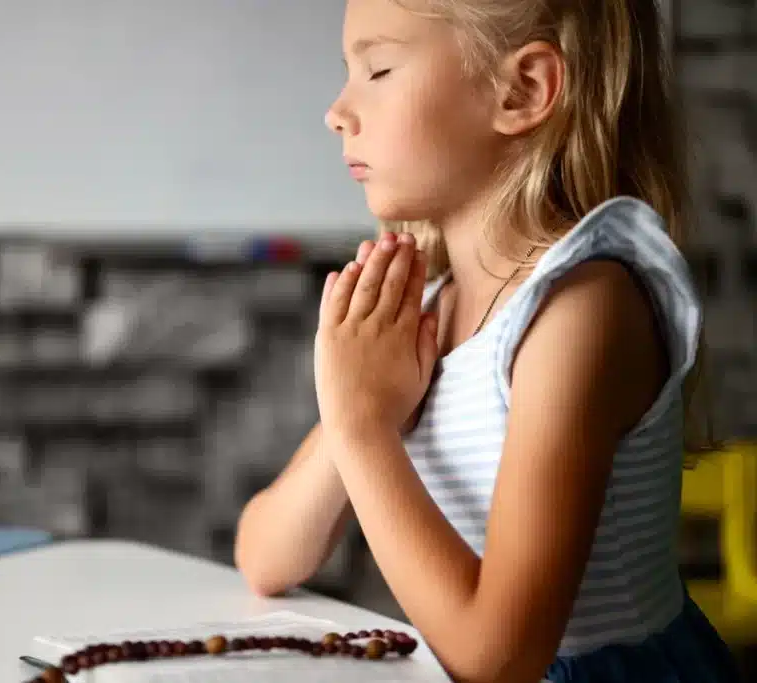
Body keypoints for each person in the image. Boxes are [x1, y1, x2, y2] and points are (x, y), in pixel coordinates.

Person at [234, 1, 741, 682]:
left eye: (378, 68)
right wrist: (354, 407)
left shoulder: (581, 311)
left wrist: (363, 429)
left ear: (523, 90)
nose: (337, 112)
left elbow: (499, 655)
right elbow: (265, 557)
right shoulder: (429, 310)